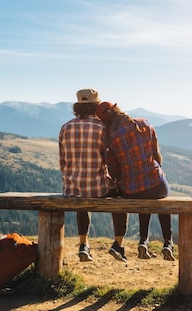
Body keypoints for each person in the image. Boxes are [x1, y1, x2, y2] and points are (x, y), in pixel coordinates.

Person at [95, 101, 175, 261]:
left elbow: (113, 170)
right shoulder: (144, 123)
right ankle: (167, 242)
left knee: (141, 192)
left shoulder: (109, 138)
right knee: (161, 196)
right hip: (156, 184)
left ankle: (143, 241)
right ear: (117, 109)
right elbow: (157, 156)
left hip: (131, 190)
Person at [59, 88, 114, 262]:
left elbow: (62, 161)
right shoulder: (102, 127)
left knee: (81, 193)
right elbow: (109, 159)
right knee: (118, 190)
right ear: (96, 105)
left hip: (71, 187)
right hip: (99, 187)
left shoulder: (66, 127)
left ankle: (84, 243)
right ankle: (119, 243)